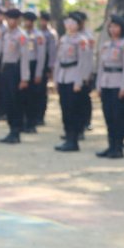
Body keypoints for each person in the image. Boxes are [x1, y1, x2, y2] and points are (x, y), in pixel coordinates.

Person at [96, 15, 124, 159]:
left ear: (122, 28)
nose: (113, 29)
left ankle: (118, 147)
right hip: (106, 82)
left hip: (118, 83)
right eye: (111, 26)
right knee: (108, 116)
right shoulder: (106, 45)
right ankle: (111, 145)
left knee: (118, 116)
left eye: (116, 26)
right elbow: (101, 67)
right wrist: (99, 85)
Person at [54, 13, 91, 152]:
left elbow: (83, 62)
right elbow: (58, 60)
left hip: (74, 76)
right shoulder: (63, 39)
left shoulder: (81, 40)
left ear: (78, 25)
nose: (69, 25)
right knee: (65, 109)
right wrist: (56, 78)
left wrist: (79, 81)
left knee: (73, 109)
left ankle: (74, 139)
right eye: (67, 22)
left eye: (73, 23)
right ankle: (68, 137)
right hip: (63, 76)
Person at [0, 9, 30, 144]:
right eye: (9, 18)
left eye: (14, 19)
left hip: (15, 70)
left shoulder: (21, 35)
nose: (11, 21)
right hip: (6, 70)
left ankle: (16, 131)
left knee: (16, 101)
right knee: (8, 101)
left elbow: (24, 58)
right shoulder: (6, 34)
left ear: (18, 20)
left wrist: (24, 78)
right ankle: (11, 129)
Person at [22, 11, 46, 133]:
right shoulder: (22, 34)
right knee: (23, 96)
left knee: (33, 96)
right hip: (23, 65)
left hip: (33, 64)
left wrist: (38, 73)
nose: (26, 23)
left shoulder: (38, 35)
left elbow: (41, 56)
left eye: (28, 20)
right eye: (24, 20)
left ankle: (32, 123)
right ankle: (24, 121)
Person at [37, 11, 57, 125]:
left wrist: (50, 68)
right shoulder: (38, 32)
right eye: (41, 20)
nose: (42, 22)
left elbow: (52, 52)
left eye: (44, 20)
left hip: (45, 64)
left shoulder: (51, 34)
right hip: (37, 63)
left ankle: (41, 115)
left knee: (42, 92)